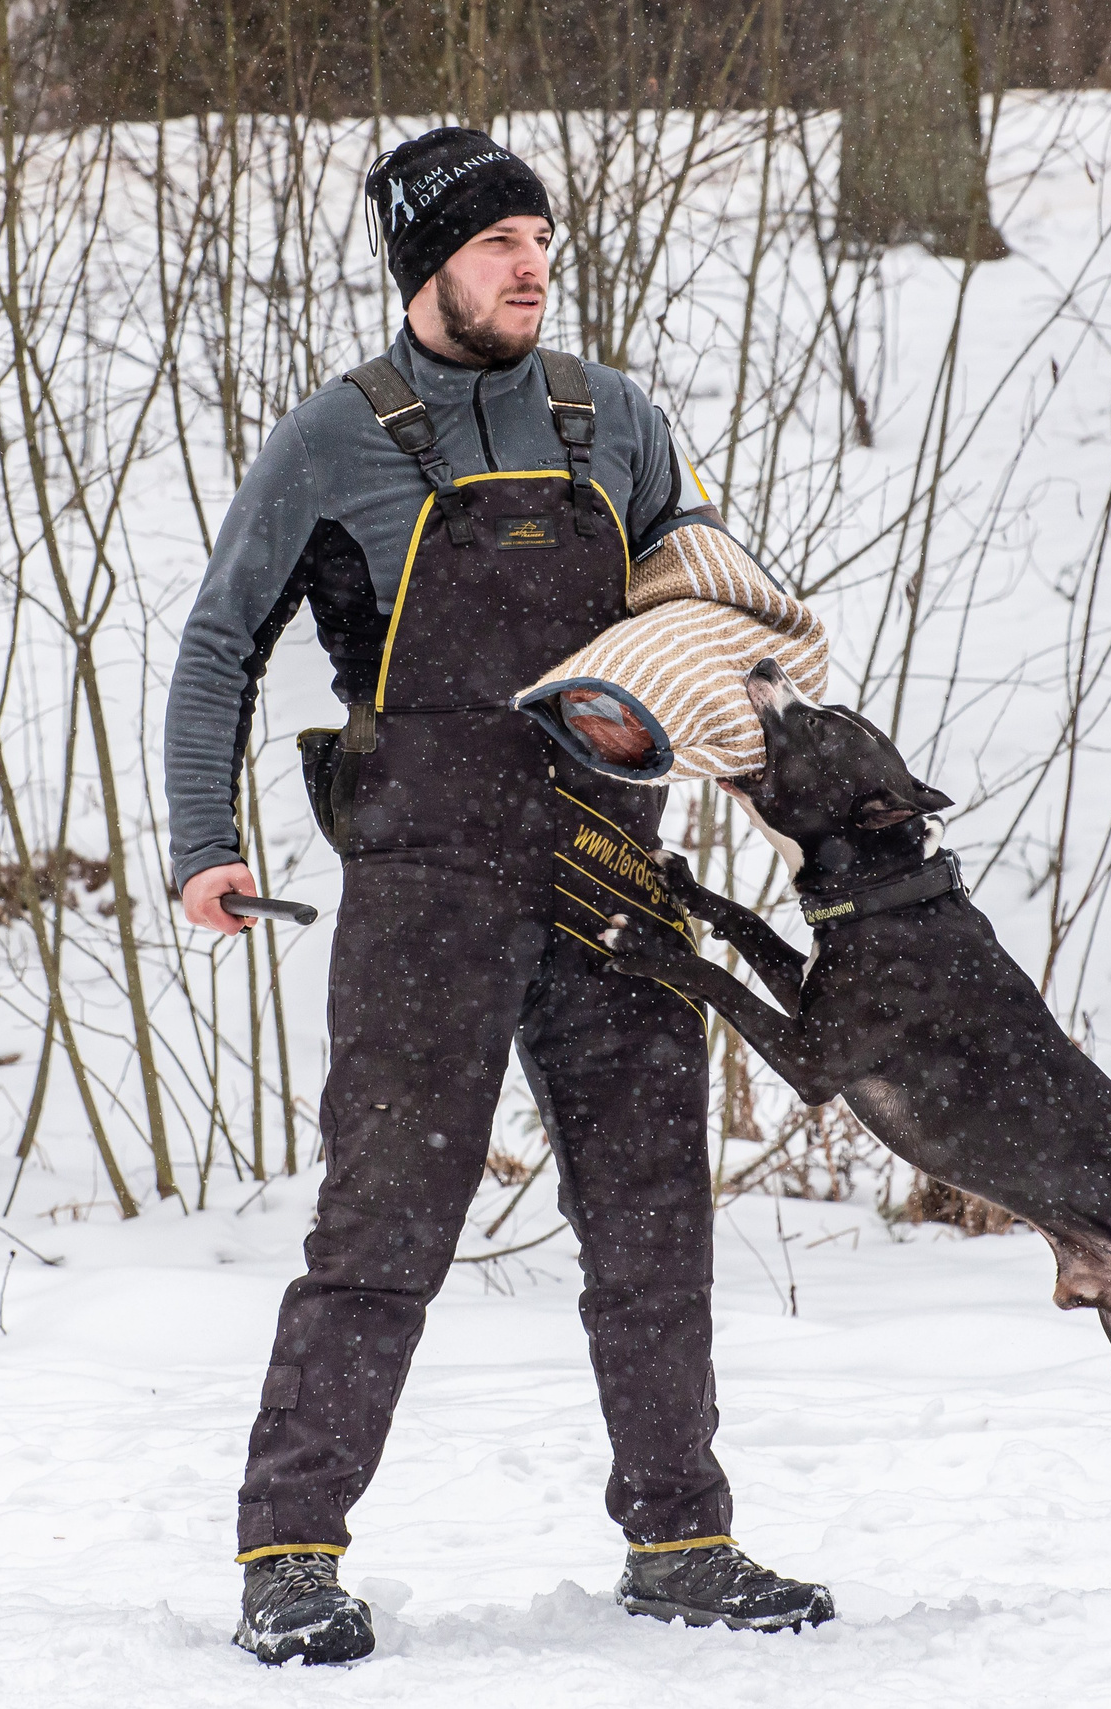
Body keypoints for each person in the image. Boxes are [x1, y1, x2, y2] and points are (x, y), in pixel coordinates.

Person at [163, 127, 834, 1667]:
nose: (532, 265)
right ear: (427, 268)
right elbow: (220, 646)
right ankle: (289, 1552)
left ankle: (683, 1536)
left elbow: (711, 599)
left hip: (612, 872)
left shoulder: (618, 420)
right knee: (384, 1221)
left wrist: (764, 714)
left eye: (540, 237)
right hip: (426, 884)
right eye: (496, 244)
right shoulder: (335, 438)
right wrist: (207, 837)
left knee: (655, 1216)